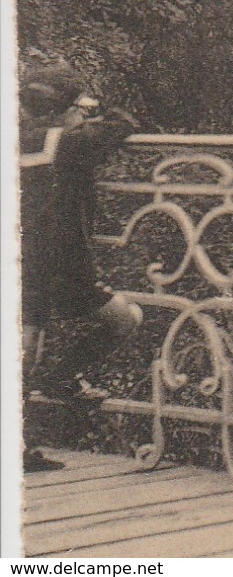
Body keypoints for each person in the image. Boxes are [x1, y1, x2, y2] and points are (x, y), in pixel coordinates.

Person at [19, 60, 143, 472]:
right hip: (63, 265)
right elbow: (124, 122)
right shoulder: (68, 142)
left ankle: (18, 449)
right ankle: (61, 378)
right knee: (123, 319)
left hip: (24, 261)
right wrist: (93, 111)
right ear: (68, 108)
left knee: (24, 344)